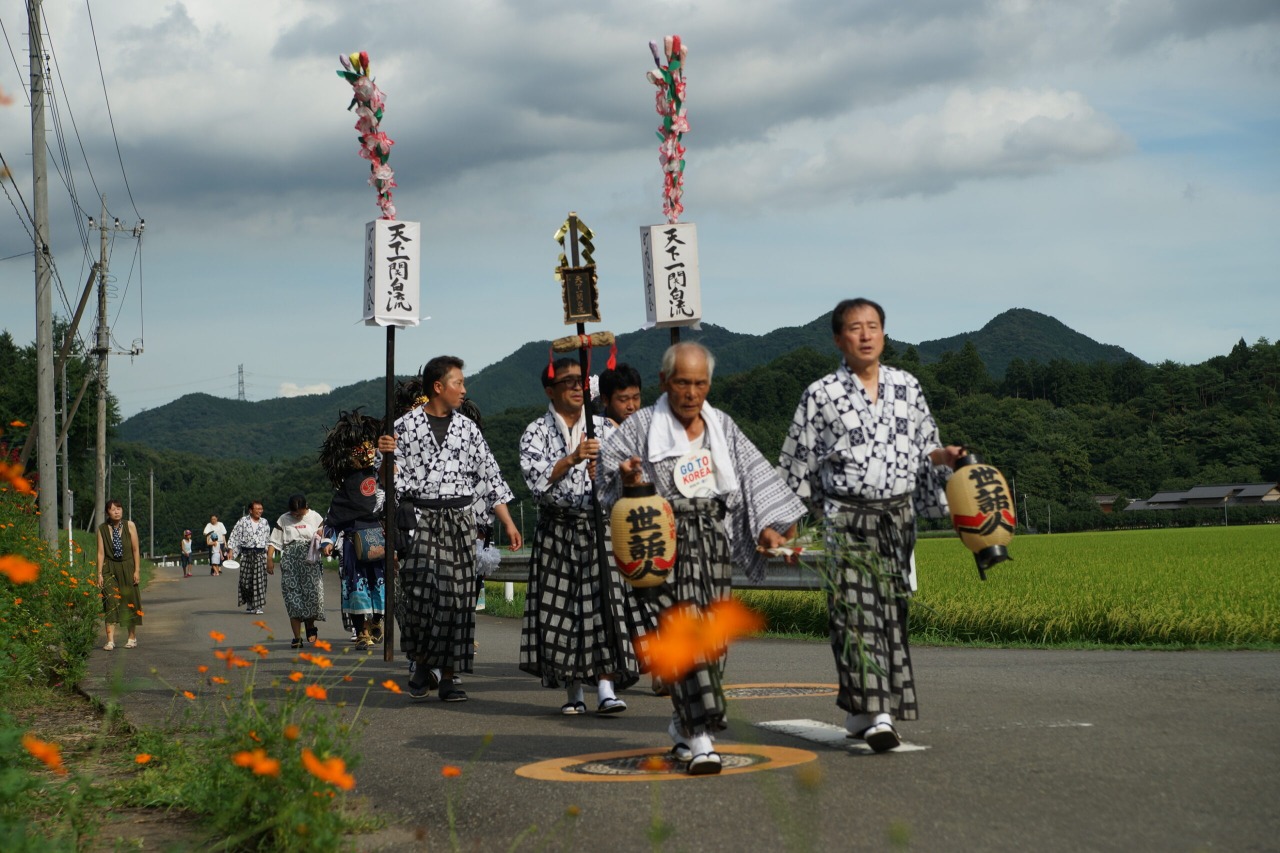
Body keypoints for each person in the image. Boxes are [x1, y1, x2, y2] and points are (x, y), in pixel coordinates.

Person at [599, 342, 804, 774]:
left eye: (699, 383)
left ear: (708, 384)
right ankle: (701, 738)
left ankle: (681, 724)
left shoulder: (721, 426)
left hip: (712, 538)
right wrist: (627, 478)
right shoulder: (640, 427)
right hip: (663, 540)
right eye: (682, 383)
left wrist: (769, 528)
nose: (691, 393)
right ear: (664, 382)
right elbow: (605, 475)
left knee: (712, 639)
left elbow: (752, 481)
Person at [777, 298, 965, 752]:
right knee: (855, 613)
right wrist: (786, 522)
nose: (865, 335)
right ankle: (880, 714)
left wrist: (945, 457)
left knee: (890, 614)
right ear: (838, 339)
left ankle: (861, 711)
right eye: (855, 328)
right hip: (846, 518)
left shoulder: (907, 386)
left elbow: (927, 446)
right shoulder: (820, 394)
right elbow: (797, 462)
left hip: (897, 517)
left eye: (873, 326)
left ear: (883, 333)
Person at [377, 355, 523, 702]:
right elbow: (387, 480)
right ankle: (421, 664)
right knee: (422, 596)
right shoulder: (404, 427)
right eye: (458, 382)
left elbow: (490, 475)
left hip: (460, 521)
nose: (464, 389)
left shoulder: (468, 429)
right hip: (421, 520)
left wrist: (508, 521)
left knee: (458, 600)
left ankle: (449, 676)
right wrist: (384, 456)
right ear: (438, 386)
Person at [519, 358, 643, 715]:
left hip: (599, 525)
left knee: (605, 607)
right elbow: (536, 482)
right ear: (550, 390)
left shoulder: (605, 428)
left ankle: (606, 687)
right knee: (562, 611)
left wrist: (617, 473)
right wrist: (572, 458)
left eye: (580, 381)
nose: (576, 387)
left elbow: (629, 478)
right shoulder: (535, 432)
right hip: (557, 528)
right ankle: (573, 690)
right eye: (568, 381)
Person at [320, 410, 388, 651]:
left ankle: (376, 622)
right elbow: (334, 517)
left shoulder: (382, 477)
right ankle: (361, 632)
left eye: (370, 448)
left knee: (380, 587)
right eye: (361, 450)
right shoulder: (347, 486)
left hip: (380, 541)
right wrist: (328, 541)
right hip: (352, 544)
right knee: (356, 589)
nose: (367, 453)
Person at [269, 494, 327, 648]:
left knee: (313, 595)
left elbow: (325, 536)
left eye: (299, 513)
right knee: (292, 595)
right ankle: (297, 637)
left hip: (310, 559)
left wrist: (325, 544)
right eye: (293, 513)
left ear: (305, 507)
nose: (296, 516)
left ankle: (310, 625)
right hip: (290, 559)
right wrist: (269, 559)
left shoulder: (315, 517)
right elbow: (274, 541)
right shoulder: (283, 519)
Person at [97, 498, 142, 650]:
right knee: (110, 601)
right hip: (109, 567)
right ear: (107, 513)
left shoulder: (130, 525)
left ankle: (131, 637)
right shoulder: (102, 529)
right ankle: (110, 640)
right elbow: (100, 553)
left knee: (129, 600)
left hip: (127, 566)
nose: (116, 512)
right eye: (113, 509)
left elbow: (135, 549)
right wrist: (99, 574)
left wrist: (137, 570)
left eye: (119, 508)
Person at [227, 501, 272, 615]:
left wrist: (269, 556)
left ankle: (258, 605)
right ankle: (250, 604)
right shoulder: (243, 521)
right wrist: (231, 550)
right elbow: (234, 536)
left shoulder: (264, 522)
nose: (260, 511)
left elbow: (268, 539)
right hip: (246, 554)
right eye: (257, 509)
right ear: (250, 510)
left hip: (260, 555)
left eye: (261, 509)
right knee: (246, 581)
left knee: (259, 581)